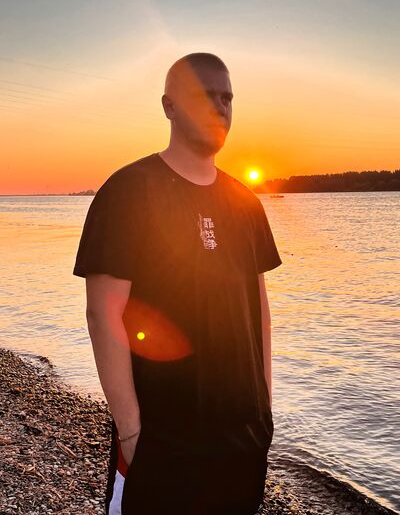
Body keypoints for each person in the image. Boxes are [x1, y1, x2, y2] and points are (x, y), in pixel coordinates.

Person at [73, 52, 282, 515]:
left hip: (242, 437)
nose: (220, 107)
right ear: (169, 106)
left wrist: (264, 409)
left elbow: (260, 313)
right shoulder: (129, 191)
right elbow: (103, 314)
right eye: (206, 96)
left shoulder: (246, 202)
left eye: (227, 97)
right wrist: (131, 430)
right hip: (162, 438)